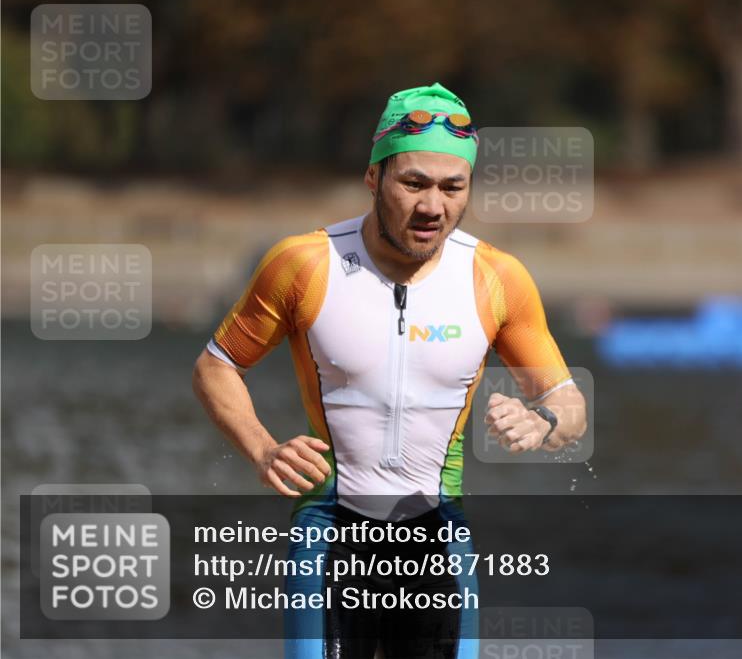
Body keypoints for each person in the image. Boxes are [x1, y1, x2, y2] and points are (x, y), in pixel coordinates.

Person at [192, 82, 588, 659]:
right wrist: (262, 448)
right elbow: (216, 366)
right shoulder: (304, 264)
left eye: (454, 187)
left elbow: (569, 402)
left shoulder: (497, 279)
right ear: (374, 178)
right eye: (414, 183)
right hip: (330, 538)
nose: (434, 206)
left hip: (438, 542)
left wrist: (544, 421)